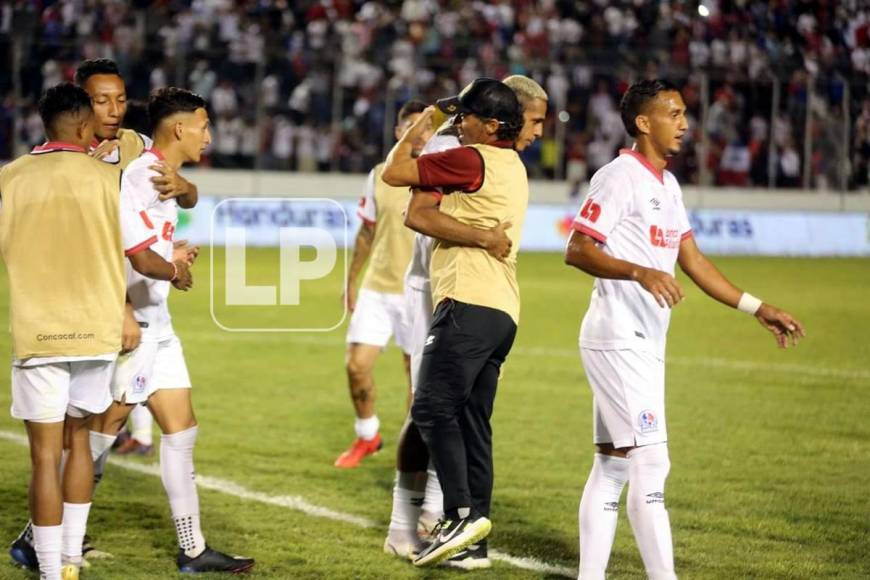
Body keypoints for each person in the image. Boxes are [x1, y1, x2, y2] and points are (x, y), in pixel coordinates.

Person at [564, 79, 805, 580]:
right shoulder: (618, 177)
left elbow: (691, 259)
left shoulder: (667, 185)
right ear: (643, 123)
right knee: (652, 466)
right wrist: (640, 271)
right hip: (618, 336)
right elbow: (579, 248)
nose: (685, 124)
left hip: (644, 340)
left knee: (612, 466)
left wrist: (756, 307)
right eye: (674, 114)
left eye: (684, 114)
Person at [0, 83, 190, 580]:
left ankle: (47, 571)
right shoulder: (110, 181)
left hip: (40, 332)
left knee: (46, 457)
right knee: (80, 440)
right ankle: (68, 562)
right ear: (85, 126)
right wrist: (176, 271)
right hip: (97, 333)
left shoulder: (12, 177)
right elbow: (144, 256)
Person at [384, 75, 548, 570]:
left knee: (431, 408)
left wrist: (433, 115)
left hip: (466, 302)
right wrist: (482, 234)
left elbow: (397, 177)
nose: (459, 124)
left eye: (466, 117)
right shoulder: (513, 165)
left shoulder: (469, 157)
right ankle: (474, 544)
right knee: (474, 424)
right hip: (502, 311)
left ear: (491, 123)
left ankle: (457, 515)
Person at [334, 100, 433, 469]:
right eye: (414, 126)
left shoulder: (439, 174)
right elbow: (366, 231)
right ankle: (367, 434)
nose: (422, 134)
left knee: (415, 381)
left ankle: (412, 457)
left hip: (418, 291)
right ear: (398, 133)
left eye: (428, 127)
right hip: (378, 286)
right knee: (357, 366)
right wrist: (351, 280)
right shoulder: (380, 174)